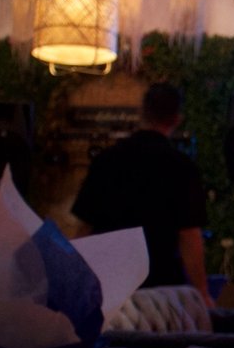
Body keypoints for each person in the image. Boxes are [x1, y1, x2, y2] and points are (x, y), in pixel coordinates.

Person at [72, 82, 213, 304]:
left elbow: (85, 229)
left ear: (142, 113)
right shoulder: (182, 166)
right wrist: (203, 293)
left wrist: (74, 282)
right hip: (162, 287)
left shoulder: (106, 160)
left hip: (111, 283)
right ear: (176, 119)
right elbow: (189, 235)